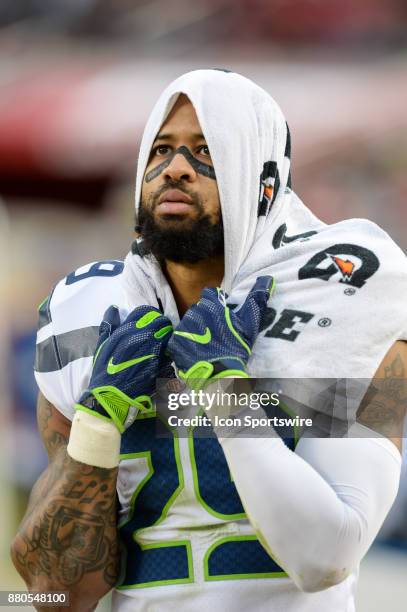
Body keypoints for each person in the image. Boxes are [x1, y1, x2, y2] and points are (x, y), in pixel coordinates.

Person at [11, 69, 407, 612]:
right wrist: (97, 424)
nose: (175, 169)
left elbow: (326, 554)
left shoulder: (348, 289)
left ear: (264, 178)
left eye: (207, 151)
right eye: (161, 150)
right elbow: (55, 595)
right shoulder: (89, 309)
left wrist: (227, 395)